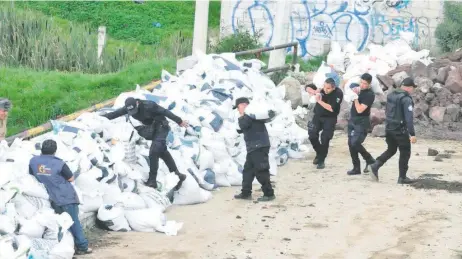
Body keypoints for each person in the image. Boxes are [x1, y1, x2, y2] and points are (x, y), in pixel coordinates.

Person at [102, 97, 189, 190]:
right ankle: (178, 175)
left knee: (154, 151)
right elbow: (115, 114)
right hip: (152, 128)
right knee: (162, 151)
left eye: (135, 110)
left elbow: (165, 112)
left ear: (137, 103)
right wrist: (98, 118)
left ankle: (152, 180)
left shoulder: (149, 105)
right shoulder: (128, 108)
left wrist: (179, 121)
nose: (133, 113)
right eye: (131, 112)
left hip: (161, 126)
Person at [29, 139, 92, 255]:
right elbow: (71, 178)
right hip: (65, 197)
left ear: (42, 149)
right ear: (55, 151)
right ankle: (82, 247)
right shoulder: (59, 163)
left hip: (49, 199)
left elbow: (32, 176)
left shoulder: (33, 162)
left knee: (59, 224)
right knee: (73, 222)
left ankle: (62, 248)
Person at [370, 77, 417, 184]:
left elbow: (387, 111)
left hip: (389, 127)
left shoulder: (391, 95)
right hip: (400, 130)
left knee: (391, 149)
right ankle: (402, 177)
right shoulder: (406, 99)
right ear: (409, 88)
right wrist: (412, 134)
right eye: (413, 88)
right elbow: (408, 118)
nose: (413, 90)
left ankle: (375, 165)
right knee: (405, 152)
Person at [233, 97, 275, 202]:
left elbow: (243, 124)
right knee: (248, 170)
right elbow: (241, 129)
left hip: (258, 146)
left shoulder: (249, 115)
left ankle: (269, 194)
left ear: (242, 105)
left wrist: (242, 115)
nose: (238, 110)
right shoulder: (252, 115)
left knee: (261, 170)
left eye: (238, 108)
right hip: (254, 147)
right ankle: (246, 193)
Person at [308, 78, 343, 169]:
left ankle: (321, 160)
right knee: (312, 135)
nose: (325, 90)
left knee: (325, 138)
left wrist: (319, 101)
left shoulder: (338, 93)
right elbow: (308, 87)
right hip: (318, 116)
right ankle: (319, 153)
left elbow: (331, 108)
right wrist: (312, 91)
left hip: (330, 118)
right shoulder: (321, 90)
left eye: (328, 88)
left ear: (333, 88)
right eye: (324, 87)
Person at [347, 73, 376, 175]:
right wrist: (354, 89)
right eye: (361, 82)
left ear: (369, 84)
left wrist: (355, 98)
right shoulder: (359, 89)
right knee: (351, 144)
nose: (362, 85)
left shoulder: (369, 95)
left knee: (355, 143)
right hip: (352, 120)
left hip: (362, 122)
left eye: (365, 84)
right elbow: (349, 85)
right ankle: (356, 168)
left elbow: (359, 110)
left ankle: (370, 159)